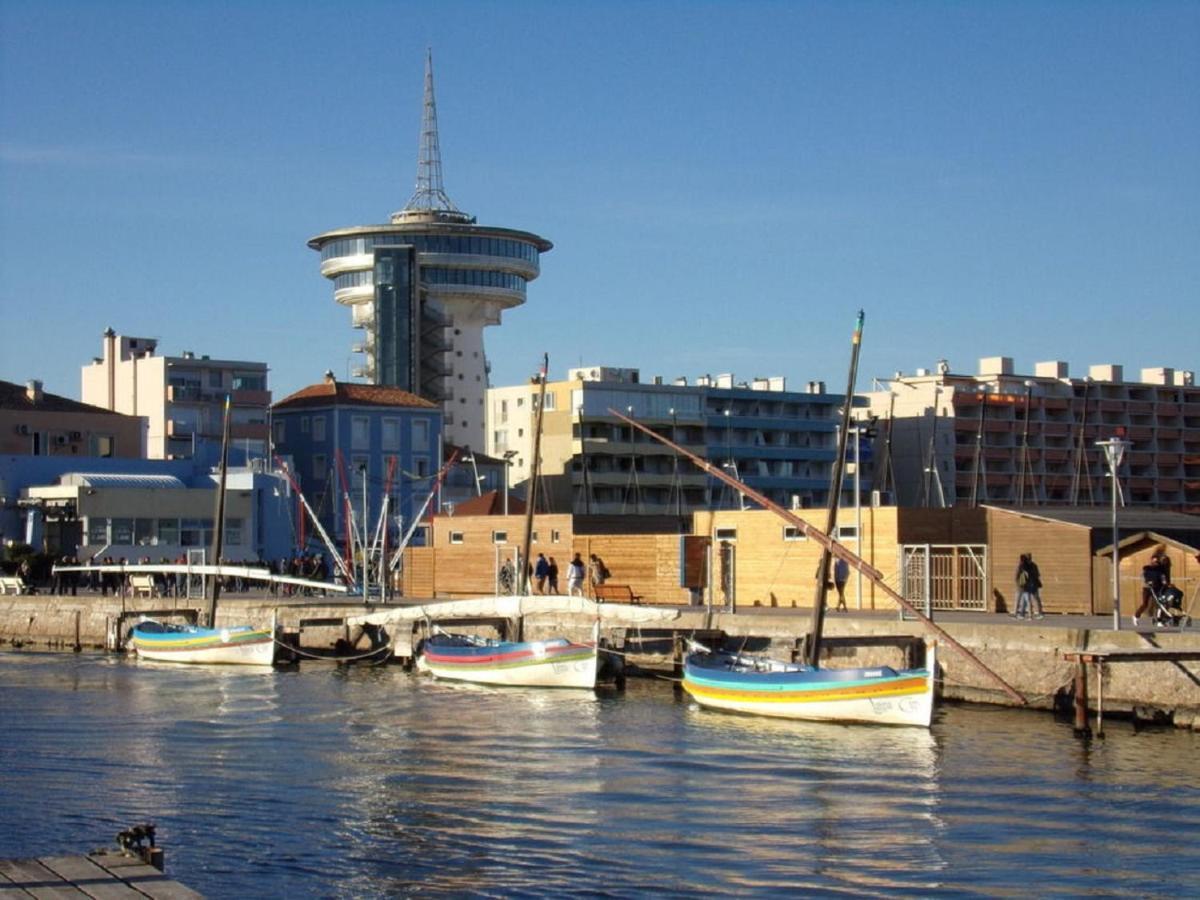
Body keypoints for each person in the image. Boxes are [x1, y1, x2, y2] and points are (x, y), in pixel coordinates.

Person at [1134, 549, 1170, 627]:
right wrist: (1147, 582)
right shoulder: (1147, 569)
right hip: (1147, 588)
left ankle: (1159, 620)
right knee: (1145, 604)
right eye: (1154, 561)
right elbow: (1143, 577)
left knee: (1160, 604)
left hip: (1157, 588)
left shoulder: (1160, 569)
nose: (1156, 563)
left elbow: (1162, 577)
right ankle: (1136, 616)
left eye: (1157, 561)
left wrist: (1165, 583)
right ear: (1151, 561)